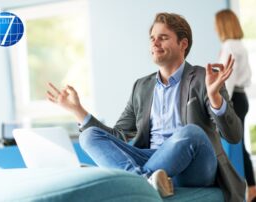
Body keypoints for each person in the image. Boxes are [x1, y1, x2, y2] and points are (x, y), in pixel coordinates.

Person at [47, 12, 245, 201]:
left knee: (191, 133)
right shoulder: (141, 86)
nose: (154, 43)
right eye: (152, 38)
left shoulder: (204, 78)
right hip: (153, 160)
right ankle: (146, 181)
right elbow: (119, 136)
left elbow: (233, 135)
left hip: (194, 164)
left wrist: (214, 97)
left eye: (163, 37)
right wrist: (77, 111)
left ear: (183, 44)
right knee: (88, 135)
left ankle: (132, 182)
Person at [215, 9, 256, 202]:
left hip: (233, 99)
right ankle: (252, 191)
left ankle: (246, 192)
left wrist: (218, 102)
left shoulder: (229, 47)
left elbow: (227, 81)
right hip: (241, 98)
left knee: (233, 147)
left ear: (222, 26)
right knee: (239, 146)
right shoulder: (239, 46)